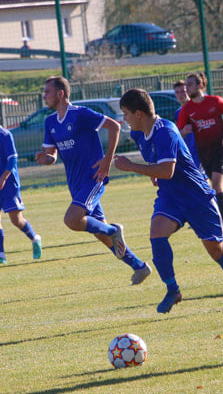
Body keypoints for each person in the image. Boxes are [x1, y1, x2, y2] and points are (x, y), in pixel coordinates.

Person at [115, 89, 223, 312]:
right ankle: (172, 290)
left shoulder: (166, 131)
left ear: (139, 113)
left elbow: (167, 170)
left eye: (126, 113)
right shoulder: (138, 135)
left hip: (196, 197)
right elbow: (160, 168)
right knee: (157, 234)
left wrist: (132, 166)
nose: (124, 119)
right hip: (170, 197)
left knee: (216, 250)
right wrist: (152, 174)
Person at [34, 76, 151, 285]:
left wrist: (107, 160)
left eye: (47, 91)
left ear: (60, 93)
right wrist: (46, 159)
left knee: (72, 220)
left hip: (93, 178)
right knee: (102, 236)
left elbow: (115, 126)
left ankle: (113, 230)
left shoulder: (80, 114)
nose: (44, 96)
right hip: (75, 183)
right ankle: (139, 267)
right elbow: (51, 155)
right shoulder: (50, 122)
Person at [176, 72, 223, 234]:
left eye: (190, 85)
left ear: (200, 85)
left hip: (220, 149)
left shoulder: (215, 101)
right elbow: (178, 133)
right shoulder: (186, 109)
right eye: (185, 85)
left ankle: (221, 228)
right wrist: (184, 131)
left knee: (215, 186)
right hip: (204, 152)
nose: (187, 88)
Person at [0, 105, 42, 265]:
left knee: (16, 220)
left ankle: (34, 238)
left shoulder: (5, 136)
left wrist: (3, 179)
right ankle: (1, 256)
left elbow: (12, 159)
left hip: (8, 185)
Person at [172, 79, 202, 172]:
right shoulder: (178, 113)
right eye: (177, 92)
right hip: (188, 153)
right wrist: (183, 131)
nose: (181, 95)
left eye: (183, 91)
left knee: (203, 180)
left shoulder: (197, 107)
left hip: (201, 151)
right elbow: (179, 135)